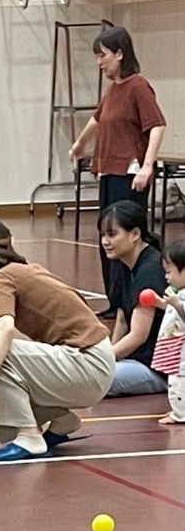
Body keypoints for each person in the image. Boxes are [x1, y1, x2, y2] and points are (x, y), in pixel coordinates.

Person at [0, 219, 115, 461]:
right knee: (3, 364)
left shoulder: (0, 278)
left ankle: (29, 436)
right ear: (11, 243)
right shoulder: (29, 270)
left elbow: (4, 327)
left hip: (87, 363)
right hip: (97, 361)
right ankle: (62, 420)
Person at [68, 25, 166, 302]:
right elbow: (97, 119)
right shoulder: (114, 90)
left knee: (125, 239)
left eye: (103, 55)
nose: (99, 62)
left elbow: (157, 125)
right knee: (108, 236)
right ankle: (115, 300)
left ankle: (131, 298)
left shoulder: (138, 86)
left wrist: (147, 166)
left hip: (129, 173)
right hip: (109, 171)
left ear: (120, 54)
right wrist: (80, 144)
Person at [99, 201, 168, 398]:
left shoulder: (150, 270)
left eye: (112, 234)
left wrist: (104, 361)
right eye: (103, 235)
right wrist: (111, 354)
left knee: (94, 379)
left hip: (155, 366)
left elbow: (138, 335)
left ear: (135, 234)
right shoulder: (122, 263)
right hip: (136, 359)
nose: (105, 241)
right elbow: (122, 319)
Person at [151, 239, 185, 425]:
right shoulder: (178, 293)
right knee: (175, 378)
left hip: (182, 350)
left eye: (169, 271)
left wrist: (177, 304)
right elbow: (173, 311)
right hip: (174, 344)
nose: (166, 276)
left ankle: (180, 413)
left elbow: (181, 311)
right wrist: (161, 303)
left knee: (178, 380)